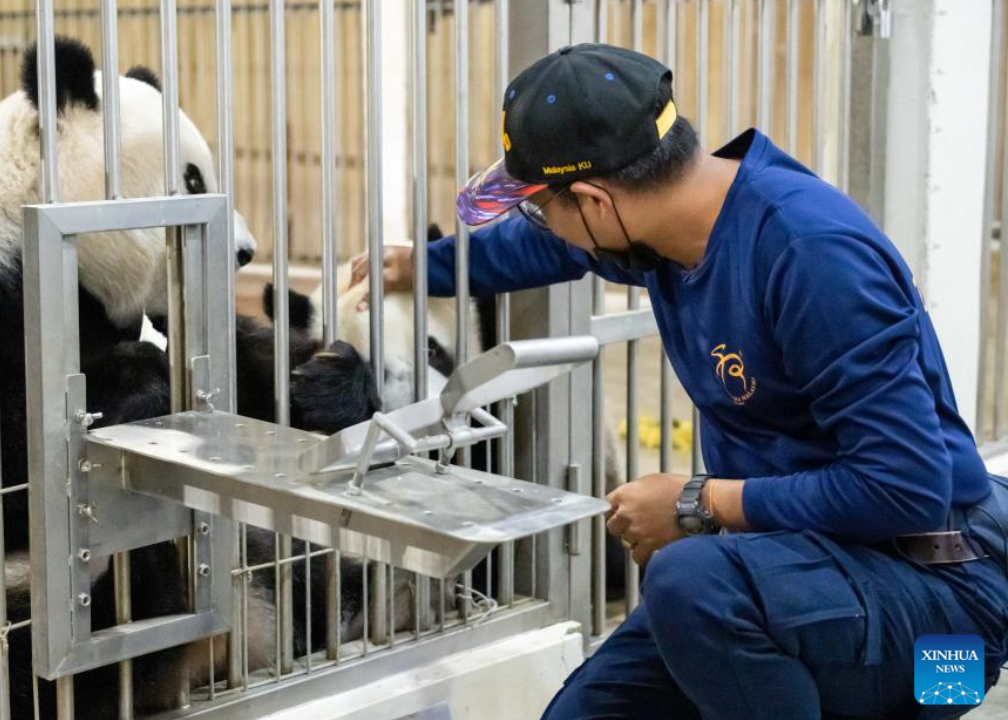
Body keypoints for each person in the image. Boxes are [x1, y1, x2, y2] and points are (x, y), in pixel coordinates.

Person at [348, 43, 1008, 719]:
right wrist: (424, 267)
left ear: (595, 201)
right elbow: (547, 246)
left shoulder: (810, 256)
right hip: (800, 579)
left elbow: (907, 487)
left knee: (692, 583)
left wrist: (698, 502)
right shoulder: (669, 228)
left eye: (544, 208)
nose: (550, 228)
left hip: (945, 617)